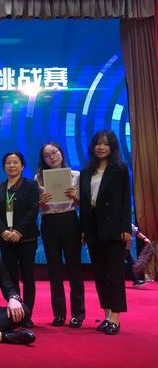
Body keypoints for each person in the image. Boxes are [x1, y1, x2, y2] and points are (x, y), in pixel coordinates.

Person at [79, 129, 131, 335]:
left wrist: (125, 228)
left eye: (106, 144)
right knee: (100, 274)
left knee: (115, 274)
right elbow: (85, 204)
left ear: (112, 147)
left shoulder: (119, 169)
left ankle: (116, 318)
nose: (101, 147)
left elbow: (126, 200)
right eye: (98, 144)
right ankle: (107, 314)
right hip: (92, 229)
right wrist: (83, 230)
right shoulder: (86, 172)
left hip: (113, 229)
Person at [35, 142, 85, 328]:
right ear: (43, 159)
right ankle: (59, 314)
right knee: (54, 269)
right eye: (47, 155)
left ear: (61, 153)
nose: (52, 157)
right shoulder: (38, 178)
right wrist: (41, 202)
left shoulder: (75, 175)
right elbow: (36, 207)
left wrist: (75, 197)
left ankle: (78, 314)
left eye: (54, 152)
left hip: (69, 219)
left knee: (74, 268)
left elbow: (82, 204)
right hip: (49, 222)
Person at [0, 151, 39, 327]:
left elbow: (33, 209)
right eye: (8, 163)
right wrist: (3, 231)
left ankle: (27, 314)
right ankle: (15, 312)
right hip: (6, 239)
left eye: (15, 162)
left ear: (22, 166)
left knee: (27, 277)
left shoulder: (31, 185)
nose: (12, 166)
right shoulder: (0, 187)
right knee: (11, 278)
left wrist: (19, 231)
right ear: (4, 167)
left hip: (26, 238)